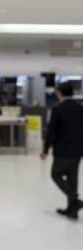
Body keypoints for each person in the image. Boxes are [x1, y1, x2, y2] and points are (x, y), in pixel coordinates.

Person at [40, 82, 83, 220]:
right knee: (72, 179)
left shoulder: (58, 109)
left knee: (55, 174)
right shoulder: (80, 108)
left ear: (59, 92)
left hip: (63, 149)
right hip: (78, 150)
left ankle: (75, 201)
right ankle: (72, 211)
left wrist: (45, 150)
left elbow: (51, 132)